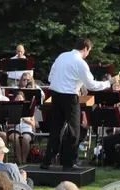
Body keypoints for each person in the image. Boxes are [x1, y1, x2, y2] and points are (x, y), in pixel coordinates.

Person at [43, 38, 112, 171]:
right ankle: (68, 163)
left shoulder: (61, 56)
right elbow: (91, 84)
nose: (88, 54)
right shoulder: (80, 63)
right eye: (89, 51)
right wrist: (108, 83)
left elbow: (50, 77)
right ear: (85, 49)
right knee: (74, 131)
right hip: (70, 97)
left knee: (56, 129)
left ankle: (47, 161)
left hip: (55, 95)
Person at [9, 91, 38, 164]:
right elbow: (7, 125)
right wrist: (16, 121)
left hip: (26, 129)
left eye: (20, 99)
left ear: (24, 99)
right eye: (17, 99)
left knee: (25, 138)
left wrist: (25, 120)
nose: (19, 100)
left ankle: (24, 159)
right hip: (14, 129)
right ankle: (19, 160)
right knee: (16, 138)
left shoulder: (29, 109)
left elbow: (34, 124)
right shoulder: (10, 108)